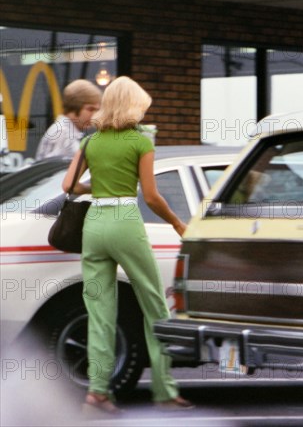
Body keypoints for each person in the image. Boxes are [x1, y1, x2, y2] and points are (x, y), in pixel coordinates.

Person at [62, 76, 193, 413]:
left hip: (94, 226)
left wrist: (100, 185)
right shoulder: (140, 141)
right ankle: (165, 392)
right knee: (155, 307)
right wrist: (178, 222)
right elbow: (150, 196)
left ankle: (98, 392)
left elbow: (69, 185)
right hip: (125, 222)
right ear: (132, 106)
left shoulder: (90, 143)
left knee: (100, 312)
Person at [35, 79, 102, 161]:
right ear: (74, 107)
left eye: (97, 110)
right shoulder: (62, 133)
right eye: (90, 109)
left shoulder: (66, 132)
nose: (95, 115)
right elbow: (58, 172)